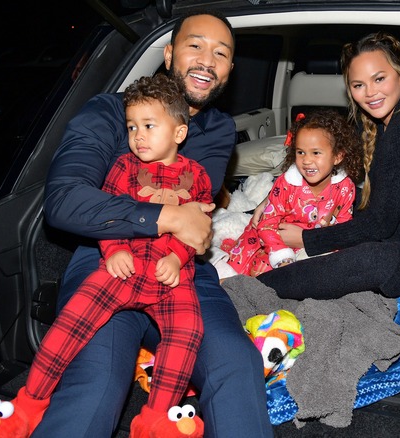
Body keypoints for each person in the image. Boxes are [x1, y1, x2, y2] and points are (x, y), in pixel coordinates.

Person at [36, 10, 273, 437]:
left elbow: (196, 220)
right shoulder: (108, 112)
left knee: (237, 365)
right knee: (96, 383)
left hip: (182, 271)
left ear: (230, 70)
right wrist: (162, 216)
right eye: (194, 45)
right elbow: (65, 199)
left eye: (220, 53)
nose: (207, 60)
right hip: (108, 259)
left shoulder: (218, 129)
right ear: (168, 54)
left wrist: (170, 220)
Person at [0, 73, 210, 436]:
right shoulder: (123, 167)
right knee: (71, 320)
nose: (137, 135)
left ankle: (157, 417)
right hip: (123, 267)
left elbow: (198, 226)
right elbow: (108, 214)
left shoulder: (196, 175)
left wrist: (177, 258)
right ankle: (29, 402)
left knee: (187, 332)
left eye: (149, 125)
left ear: (179, 133)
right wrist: (114, 250)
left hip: (170, 276)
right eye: (132, 126)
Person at [256, 31, 400, 300]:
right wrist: (277, 198)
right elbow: (379, 198)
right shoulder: (387, 122)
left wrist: (306, 240)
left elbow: (379, 224)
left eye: (379, 79)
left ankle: (254, 289)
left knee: (374, 260)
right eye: (358, 85)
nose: (370, 93)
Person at [222, 109, 363, 277]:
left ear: (338, 157)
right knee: (256, 273)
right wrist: (281, 254)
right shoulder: (286, 184)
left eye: (316, 153)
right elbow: (267, 223)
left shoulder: (345, 187)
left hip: (315, 242)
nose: (307, 160)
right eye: (300, 152)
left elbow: (343, 226)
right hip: (274, 239)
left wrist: (335, 252)